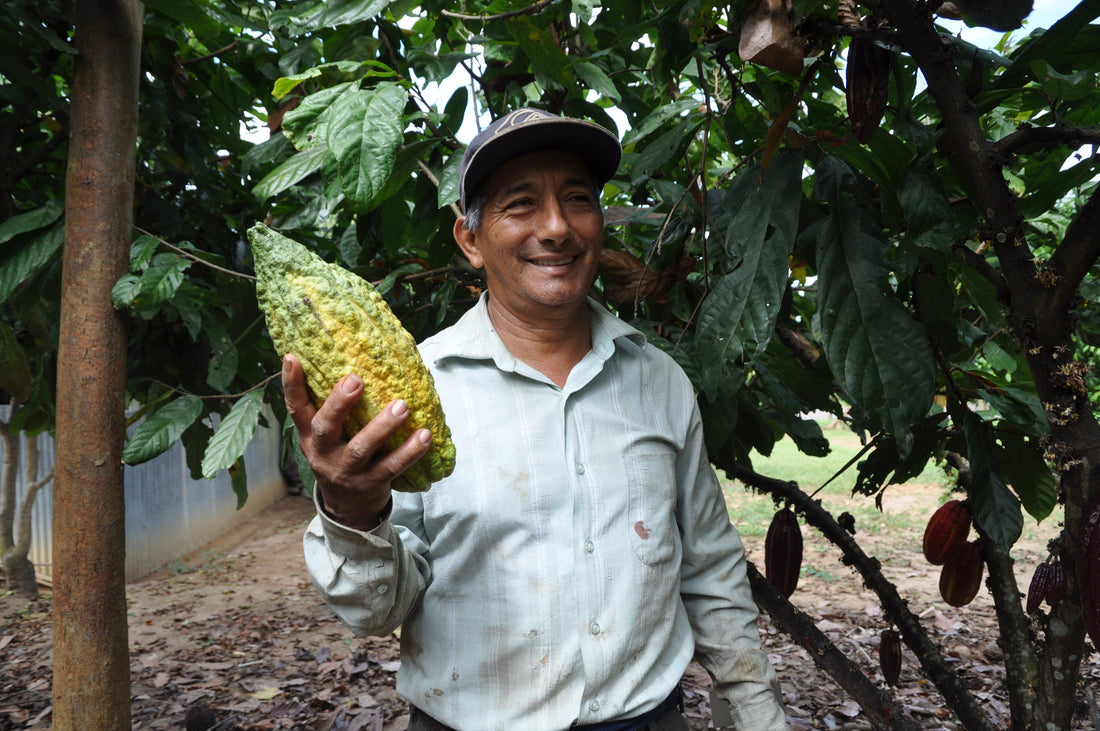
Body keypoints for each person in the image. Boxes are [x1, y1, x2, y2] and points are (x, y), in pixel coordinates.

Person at [285, 107, 789, 731]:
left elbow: (709, 568)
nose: (556, 228)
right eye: (521, 204)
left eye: (577, 199)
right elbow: (375, 611)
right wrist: (351, 511)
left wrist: (756, 710)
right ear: (470, 240)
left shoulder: (659, 380)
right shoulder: (412, 396)